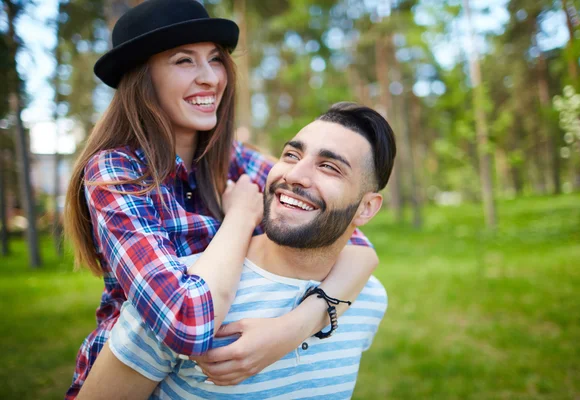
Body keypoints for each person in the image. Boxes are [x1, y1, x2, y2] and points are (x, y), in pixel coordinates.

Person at [63, 1, 378, 398]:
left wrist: (291, 329)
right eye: (183, 61)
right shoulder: (117, 173)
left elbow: (351, 240)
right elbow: (185, 322)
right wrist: (240, 217)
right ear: (143, 78)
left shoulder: (234, 159)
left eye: (215, 59)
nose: (210, 77)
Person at [78, 102, 396, 399]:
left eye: (329, 167)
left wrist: (296, 326)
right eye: (290, 155)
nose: (295, 175)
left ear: (366, 208)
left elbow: (360, 249)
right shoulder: (180, 294)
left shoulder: (367, 299)